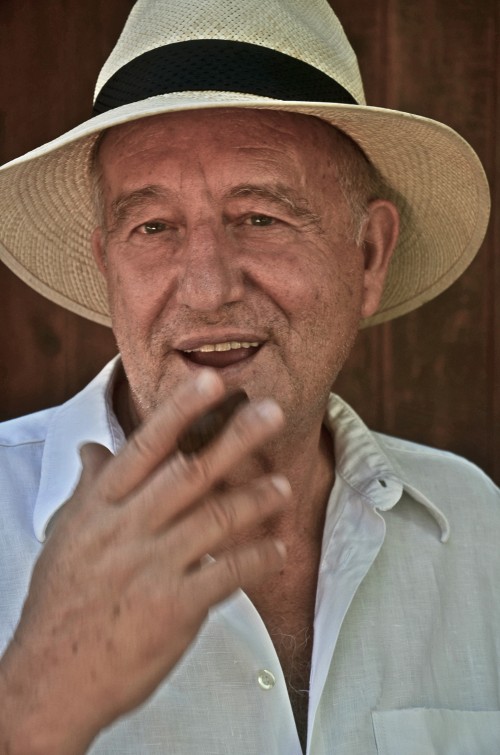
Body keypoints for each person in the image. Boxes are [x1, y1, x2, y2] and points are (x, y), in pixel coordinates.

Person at [0, 0, 499, 753]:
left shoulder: (477, 527)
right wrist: (35, 708)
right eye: (153, 227)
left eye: (260, 217)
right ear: (108, 267)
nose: (207, 289)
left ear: (368, 255)